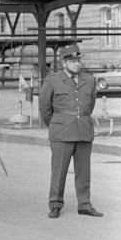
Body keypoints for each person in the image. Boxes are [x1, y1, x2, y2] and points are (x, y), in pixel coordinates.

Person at [38, 44, 103, 219]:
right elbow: (45, 108)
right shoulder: (52, 80)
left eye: (78, 60)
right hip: (61, 132)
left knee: (84, 171)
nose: (77, 64)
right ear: (64, 63)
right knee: (59, 170)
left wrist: (81, 118)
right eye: (72, 61)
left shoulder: (89, 80)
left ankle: (84, 204)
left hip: (83, 130)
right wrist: (56, 124)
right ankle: (55, 204)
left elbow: (90, 104)